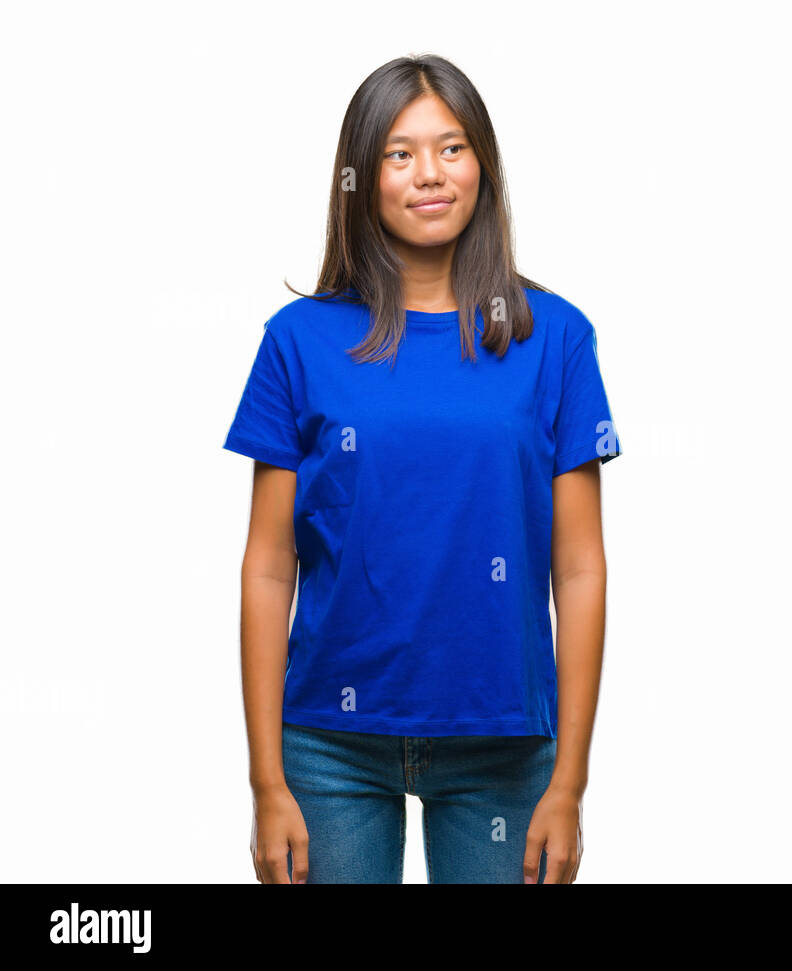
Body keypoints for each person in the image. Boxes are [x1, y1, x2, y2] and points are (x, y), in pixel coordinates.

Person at [222, 54, 623, 884]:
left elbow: (579, 569)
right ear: (362, 178)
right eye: (400, 154)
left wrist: (570, 781)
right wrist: (267, 782)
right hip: (329, 747)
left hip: (504, 745)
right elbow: (268, 567)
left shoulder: (557, 337)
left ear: (483, 163)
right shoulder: (297, 341)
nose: (430, 174)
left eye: (452, 147)